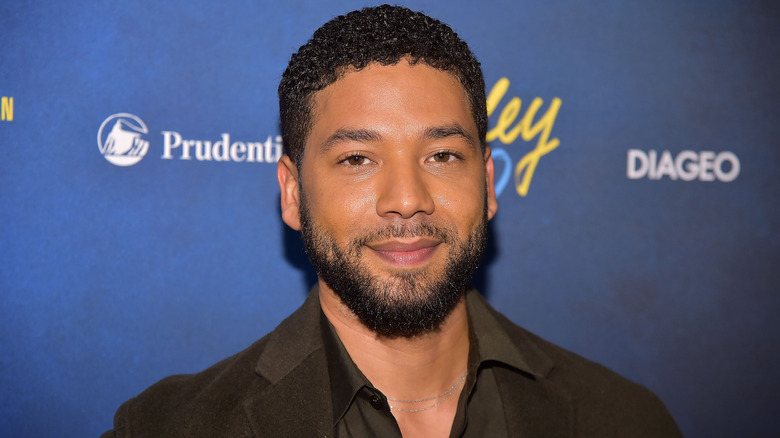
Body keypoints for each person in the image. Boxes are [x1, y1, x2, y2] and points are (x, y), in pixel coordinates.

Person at [102, 5, 682, 437]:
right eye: (357, 159)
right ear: (291, 193)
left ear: (487, 184)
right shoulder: (169, 427)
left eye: (442, 156)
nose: (407, 199)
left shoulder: (624, 420)